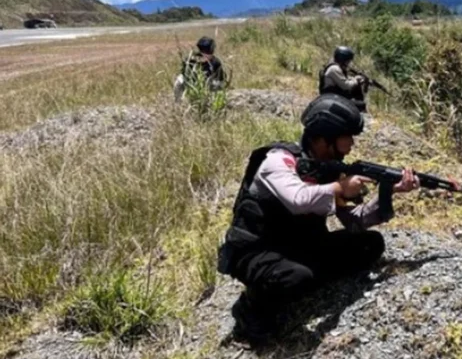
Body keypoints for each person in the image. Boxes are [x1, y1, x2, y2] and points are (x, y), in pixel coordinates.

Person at [216, 93, 420, 341]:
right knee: (295, 277)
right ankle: (249, 310)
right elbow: (298, 199)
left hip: (298, 245)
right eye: (347, 139)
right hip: (256, 250)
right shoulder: (279, 161)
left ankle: (304, 276)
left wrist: (390, 192)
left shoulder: (328, 169)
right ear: (324, 139)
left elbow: (354, 220)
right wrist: (341, 188)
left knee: (371, 243)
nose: (351, 146)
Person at [173, 36, 226, 102]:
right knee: (178, 81)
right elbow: (184, 74)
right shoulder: (190, 59)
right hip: (192, 84)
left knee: (217, 84)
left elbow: (221, 79)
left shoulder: (215, 62)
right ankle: (178, 102)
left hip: (209, 86)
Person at [319, 46, 368, 111]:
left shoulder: (336, 67)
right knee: (361, 105)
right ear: (343, 59)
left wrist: (354, 79)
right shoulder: (334, 69)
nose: (348, 63)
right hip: (331, 97)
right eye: (348, 61)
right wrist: (356, 80)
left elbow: (343, 79)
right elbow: (346, 86)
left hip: (334, 95)